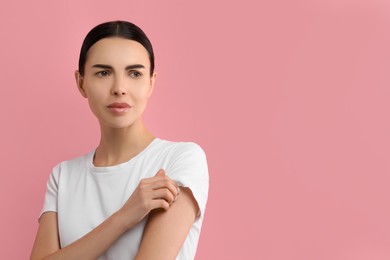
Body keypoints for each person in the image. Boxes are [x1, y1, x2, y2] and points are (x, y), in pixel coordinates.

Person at [30, 20, 209, 260]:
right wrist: (124, 217)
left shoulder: (179, 159)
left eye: (134, 73)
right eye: (103, 73)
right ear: (81, 82)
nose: (119, 88)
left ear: (151, 83)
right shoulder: (63, 176)